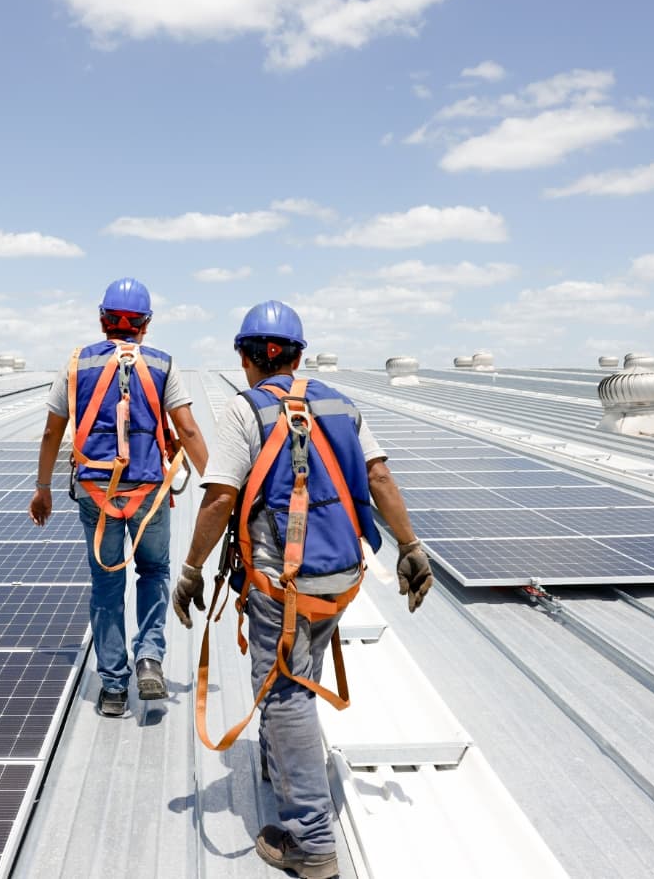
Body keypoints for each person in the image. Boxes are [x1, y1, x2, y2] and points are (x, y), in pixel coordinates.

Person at [171, 299, 432, 879]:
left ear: (246, 357)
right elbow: (380, 476)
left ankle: (311, 843)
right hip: (340, 579)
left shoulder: (246, 412)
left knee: (287, 694)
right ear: (297, 354)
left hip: (281, 585)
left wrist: (191, 568)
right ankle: (280, 764)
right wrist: (411, 547)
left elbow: (219, 498)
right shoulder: (341, 403)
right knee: (297, 667)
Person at [30, 277, 209, 718]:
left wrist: (43, 488)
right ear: (145, 325)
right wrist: (220, 486)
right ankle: (149, 658)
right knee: (153, 571)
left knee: (107, 582)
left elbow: (54, 430)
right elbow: (186, 430)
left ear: (102, 320)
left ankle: (112, 686)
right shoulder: (163, 365)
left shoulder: (76, 364)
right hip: (148, 492)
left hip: (97, 492)